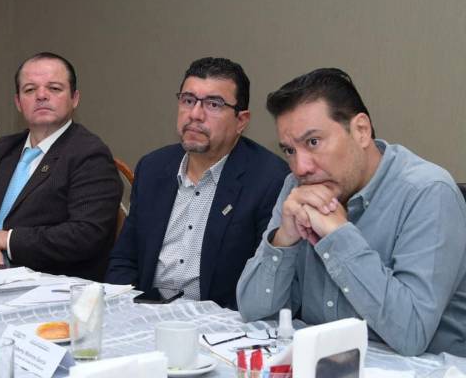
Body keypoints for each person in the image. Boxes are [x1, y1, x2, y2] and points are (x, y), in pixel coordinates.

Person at [236, 68, 466, 356]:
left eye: (313, 142)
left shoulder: (428, 192)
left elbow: (411, 334)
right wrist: (284, 240)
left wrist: (339, 236)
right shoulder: (297, 187)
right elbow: (254, 314)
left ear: (361, 131)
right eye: (289, 151)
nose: (301, 167)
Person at [106, 57, 289, 308]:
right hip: (147, 312)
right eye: (188, 100)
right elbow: (124, 259)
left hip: (220, 319)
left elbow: (267, 282)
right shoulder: (153, 168)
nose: (195, 114)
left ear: (241, 121)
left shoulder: (270, 179)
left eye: (213, 104)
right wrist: (122, 309)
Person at [0, 52, 122, 281]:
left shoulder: (89, 154)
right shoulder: (1, 150)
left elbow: (86, 235)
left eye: (54, 88)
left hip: (51, 283)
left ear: (75, 98)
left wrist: (5, 239)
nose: (41, 95)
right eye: (30, 90)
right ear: (18, 102)